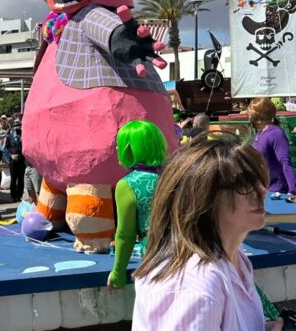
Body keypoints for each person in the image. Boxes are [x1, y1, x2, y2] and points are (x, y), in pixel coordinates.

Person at [132, 133, 282, 330]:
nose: (262, 190)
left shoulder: (233, 258)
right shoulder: (193, 286)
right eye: (244, 183)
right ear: (203, 197)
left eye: (260, 178)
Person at [107, 120, 167, 289]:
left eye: (120, 145)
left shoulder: (128, 184)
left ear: (129, 150)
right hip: (191, 257)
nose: (117, 149)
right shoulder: (176, 173)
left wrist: (118, 273)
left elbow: (126, 235)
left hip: (157, 262)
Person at [249, 97, 296, 201]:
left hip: (280, 191)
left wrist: (293, 190)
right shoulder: (260, 134)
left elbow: (285, 162)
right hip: (265, 189)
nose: (249, 117)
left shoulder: (276, 134)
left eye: (251, 114)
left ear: (258, 115)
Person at [5, 120, 25, 202]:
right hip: (13, 161)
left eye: (19, 125)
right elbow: (6, 148)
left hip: (21, 160)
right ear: (13, 127)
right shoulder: (9, 136)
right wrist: (11, 155)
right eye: (16, 125)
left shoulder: (24, 135)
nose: (17, 127)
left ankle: (19, 195)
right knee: (13, 179)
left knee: (21, 178)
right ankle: (13, 196)